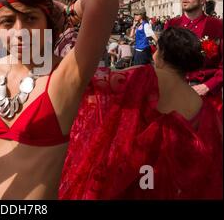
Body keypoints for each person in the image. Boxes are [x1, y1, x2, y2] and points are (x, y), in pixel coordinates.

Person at [0, 0, 119, 199]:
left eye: (30, 18)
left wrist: (66, 13)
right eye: (7, 21)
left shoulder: (65, 75)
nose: (20, 32)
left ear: (47, 22)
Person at [60, 27, 223, 199]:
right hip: (171, 188)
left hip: (134, 177)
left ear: (163, 53)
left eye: (157, 49)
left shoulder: (143, 75)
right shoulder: (200, 102)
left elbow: (95, 84)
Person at [164, 0, 222, 113]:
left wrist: (208, 86)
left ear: (202, 0)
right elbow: (163, 60)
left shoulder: (217, 26)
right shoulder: (172, 24)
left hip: (207, 98)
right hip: (176, 95)